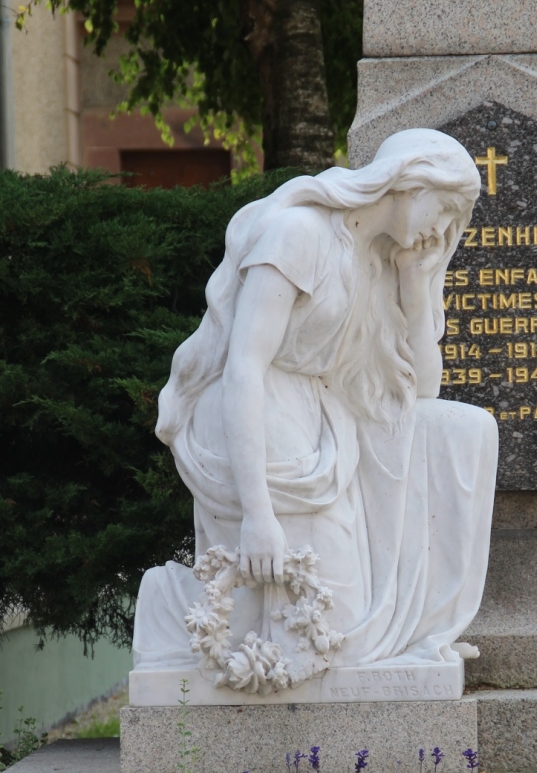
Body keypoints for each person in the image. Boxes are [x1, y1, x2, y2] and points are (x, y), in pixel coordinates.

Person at [133, 128, 498, 691]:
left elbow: (422, 394)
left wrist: (415, 281)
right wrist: (259, 516)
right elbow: (244, 367)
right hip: (251, 414)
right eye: (445, 208)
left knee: (467, 430)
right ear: (411, 182)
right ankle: (173, 605)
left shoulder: (376, 261)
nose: (443, 229)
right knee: (334, 625)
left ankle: (412, 624)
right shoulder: (297, 234)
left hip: (318, 419)